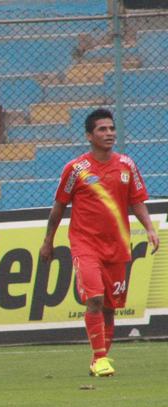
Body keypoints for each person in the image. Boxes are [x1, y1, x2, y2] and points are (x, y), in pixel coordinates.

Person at [39, 108, 159, 377]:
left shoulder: (126, 165)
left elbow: (136, 201)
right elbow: (59, 207)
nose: (109, 133)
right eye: (102, 129)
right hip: (85, 245)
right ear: (89, 136)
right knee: (94, 298)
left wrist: (150, 228)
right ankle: (100, 358)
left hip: (117, 246)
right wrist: (48, 240)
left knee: (109, 307)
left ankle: (100, 358)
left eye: (112, 128)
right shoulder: (76, 169)